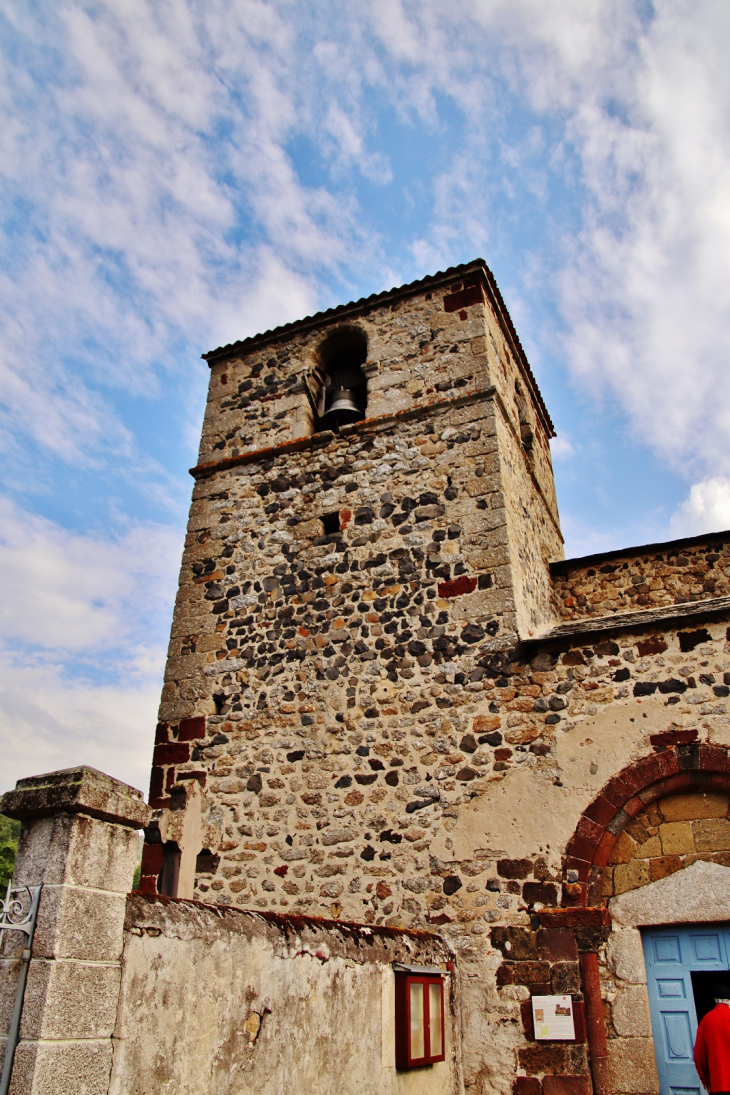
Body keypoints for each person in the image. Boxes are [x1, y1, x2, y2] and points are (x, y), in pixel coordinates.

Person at [694, 983, 730, 1094]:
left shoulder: (707, 1020)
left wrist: (706, 1081)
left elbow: (699, 1055)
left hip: (719, 1084)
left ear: (715, 1000)